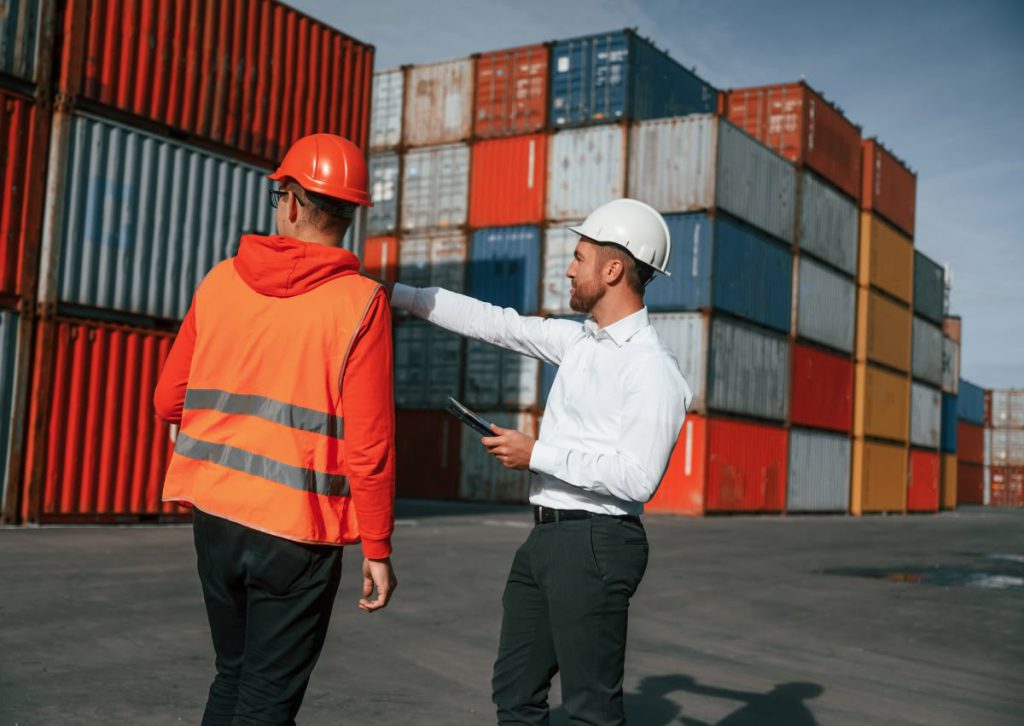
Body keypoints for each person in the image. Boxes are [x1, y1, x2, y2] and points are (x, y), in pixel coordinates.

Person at [385, 198, 691, 725]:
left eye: (579, 257)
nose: (569, 269)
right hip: (546, 537)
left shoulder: (652, 369)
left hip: (597, 541)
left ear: (613, 269)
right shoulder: (578, 342)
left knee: (590, 709)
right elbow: (493, 323)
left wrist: (537, 454)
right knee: (515, 693)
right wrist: (393, 294)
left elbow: (638, 478)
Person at [154, 133, 398, 725]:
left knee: (231, 675)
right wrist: (378, 548)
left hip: (215, 520)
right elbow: (369, 445)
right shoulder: (361, 304)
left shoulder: (219, 281)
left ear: (288, 201)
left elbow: (168, 399)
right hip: (298, 533)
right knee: (267, 698)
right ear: (350, 214)